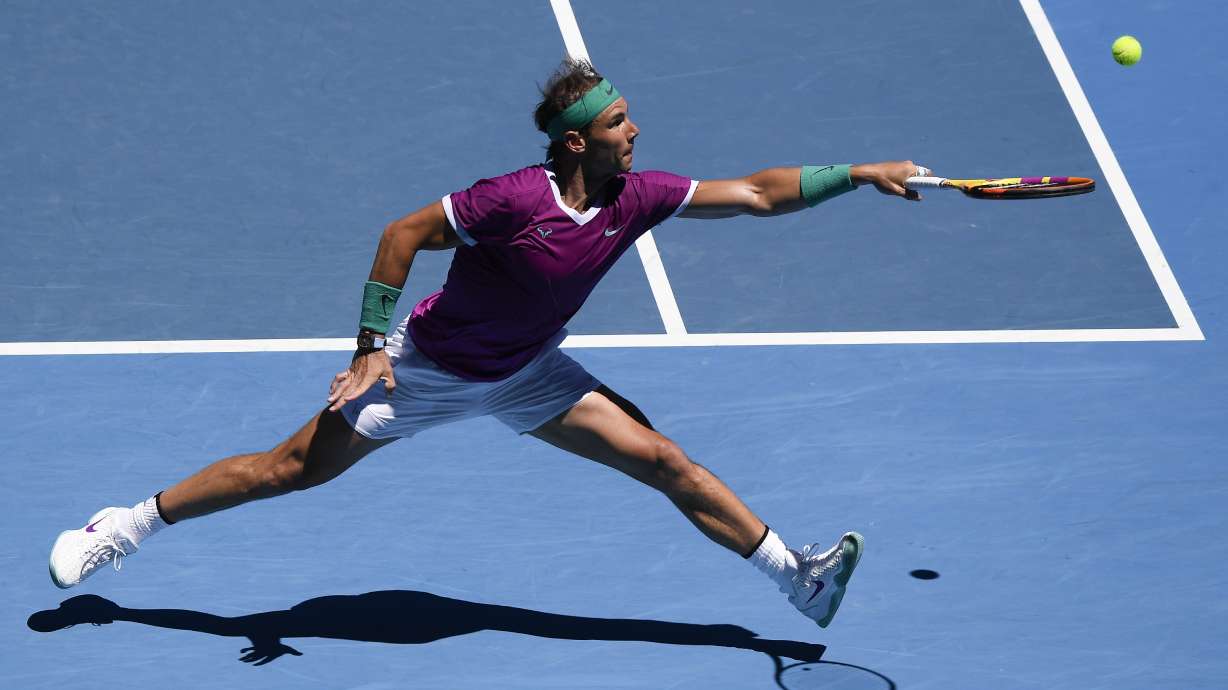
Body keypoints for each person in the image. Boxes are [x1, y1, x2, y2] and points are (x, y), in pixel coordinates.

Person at [50, 60, 927, 629]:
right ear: (578, 140)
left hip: (528, 374)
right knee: (289, 470)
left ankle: (798, 581)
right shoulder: (510, 200)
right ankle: (122, 527)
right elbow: (400, 234)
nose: (636, 131)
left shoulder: (640, 196)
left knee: (663, 459)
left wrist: (857, 173)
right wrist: (368, 349)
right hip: (427, 370)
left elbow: (759, 195)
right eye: (621, 121)